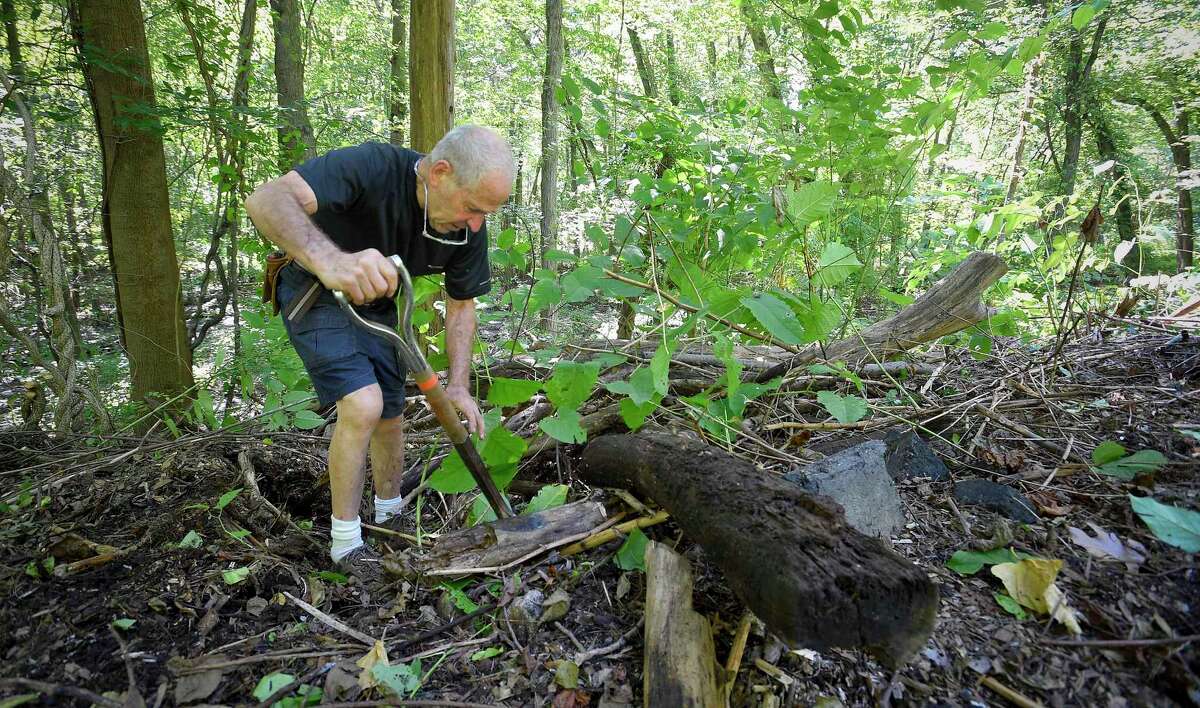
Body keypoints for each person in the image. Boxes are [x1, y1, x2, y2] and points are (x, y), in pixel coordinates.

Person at [246, 125, 515, 579]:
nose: (476, 224)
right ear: (439, 173)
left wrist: (459, 386)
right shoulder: (372, 167)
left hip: (379, 304)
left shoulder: (470, 227)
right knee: (363, 404)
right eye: (472, 208)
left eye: (485, 214)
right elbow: (265, 199)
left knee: (391, 412)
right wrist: (332, 261)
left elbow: (461, 305)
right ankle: (346, 544)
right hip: (313, 290)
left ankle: (389, 516)